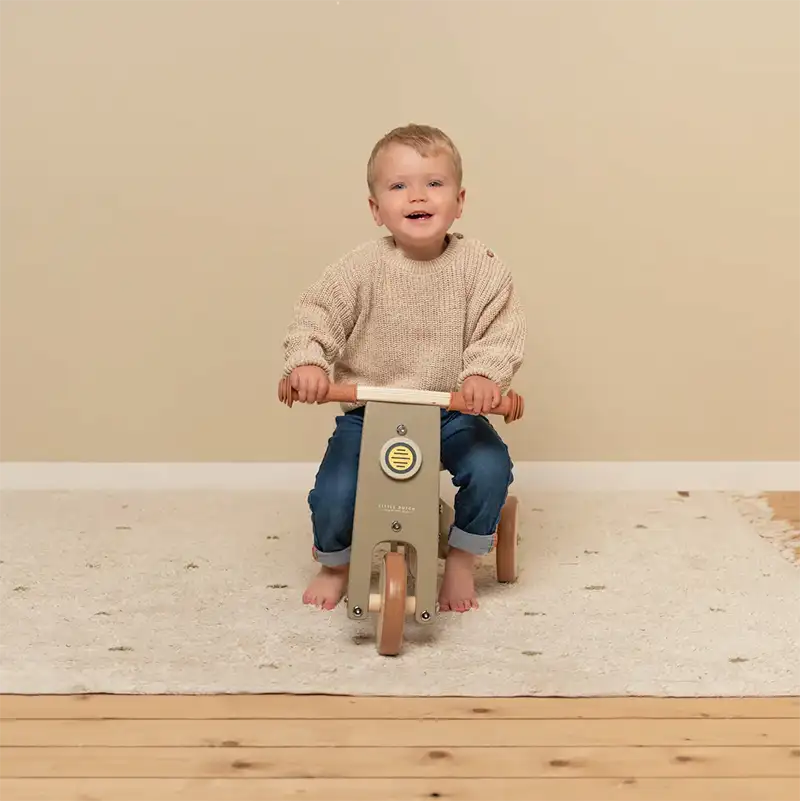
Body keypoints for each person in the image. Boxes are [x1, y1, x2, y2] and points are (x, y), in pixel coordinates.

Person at [281, 123, 526, 613]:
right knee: (336, 489)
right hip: (371, 412)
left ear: (458, 201)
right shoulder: (360, 269)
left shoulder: (482, 267)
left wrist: (483, 376)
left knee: (489, 465)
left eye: (433, 183)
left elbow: (499, 330)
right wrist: (307, 363)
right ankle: (334, 563)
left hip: (450, 411)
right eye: (399, 186)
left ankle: (461, 556)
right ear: (376, 209)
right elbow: (317, 315)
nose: (418, 195)